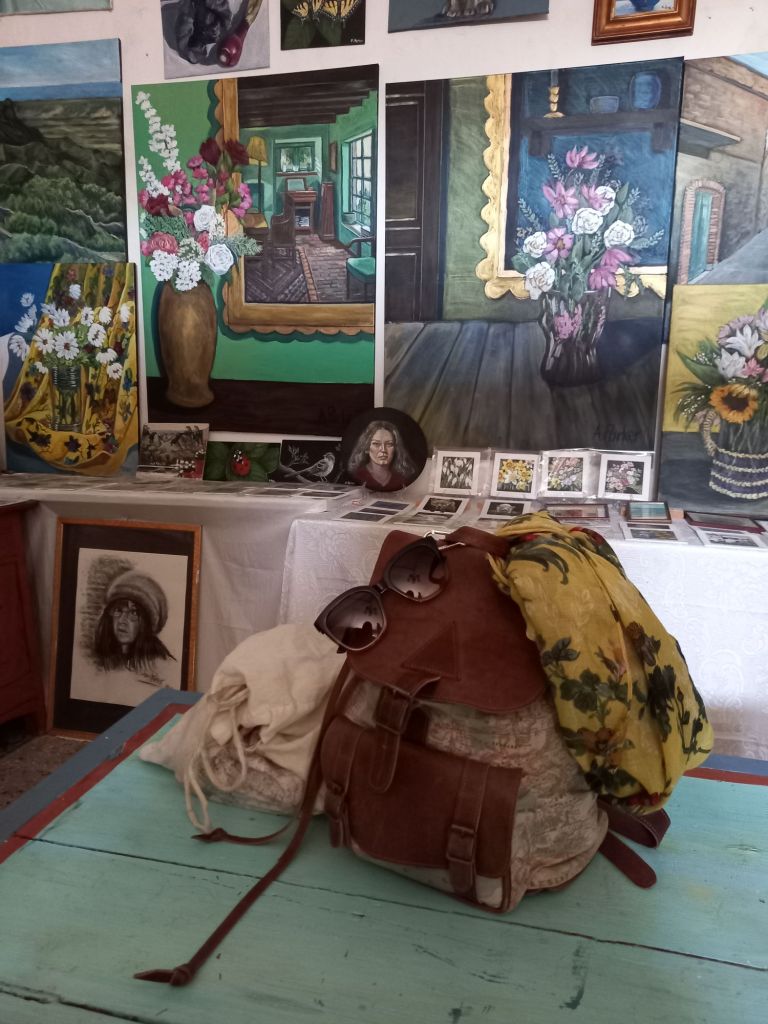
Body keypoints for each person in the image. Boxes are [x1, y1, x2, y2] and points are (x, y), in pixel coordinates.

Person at [93, 570, 175, 685]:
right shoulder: (100, 663)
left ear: (146, 623)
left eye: (134, 613)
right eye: (118, 610)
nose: (122, 620)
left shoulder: (161, 667)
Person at [347, 420, 416, 492]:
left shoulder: (401, 480)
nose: (383, 450)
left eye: (389, 444)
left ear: (396, 449)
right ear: (366, 448)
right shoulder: (357, 476)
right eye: (376, 444)